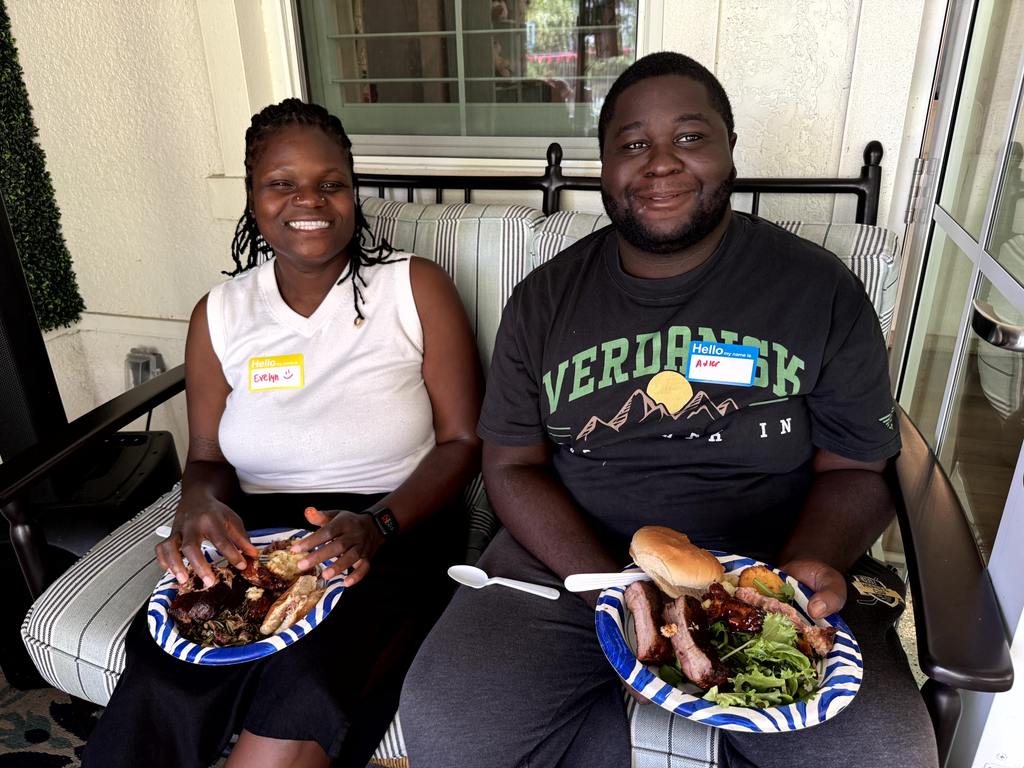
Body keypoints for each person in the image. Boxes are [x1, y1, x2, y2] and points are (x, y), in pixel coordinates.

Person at [400, 52, 937, 768]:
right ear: (604, 167)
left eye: (690, 137)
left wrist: (806, 567)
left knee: (879, 754)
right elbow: (511, 464)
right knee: (451, 717)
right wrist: (614, 585)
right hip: (570, 566)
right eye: (632, 143)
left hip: (765, 569)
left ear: (729, 150)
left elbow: (856, 463)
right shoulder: (545, 299)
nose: (660, 163)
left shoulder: (818, 290)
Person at [82, 98, 482, 768]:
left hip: (391, 530)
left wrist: (378, 526)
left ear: (353, 195)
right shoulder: (221, 313)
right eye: (282, 183)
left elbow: (463, 444)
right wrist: (199, 505)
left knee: (302, 691)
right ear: (252, 196)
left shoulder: (413, 288)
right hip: (255, 540)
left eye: (332, 184)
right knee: (166, 677)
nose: (311, 201)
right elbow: (207, 456)